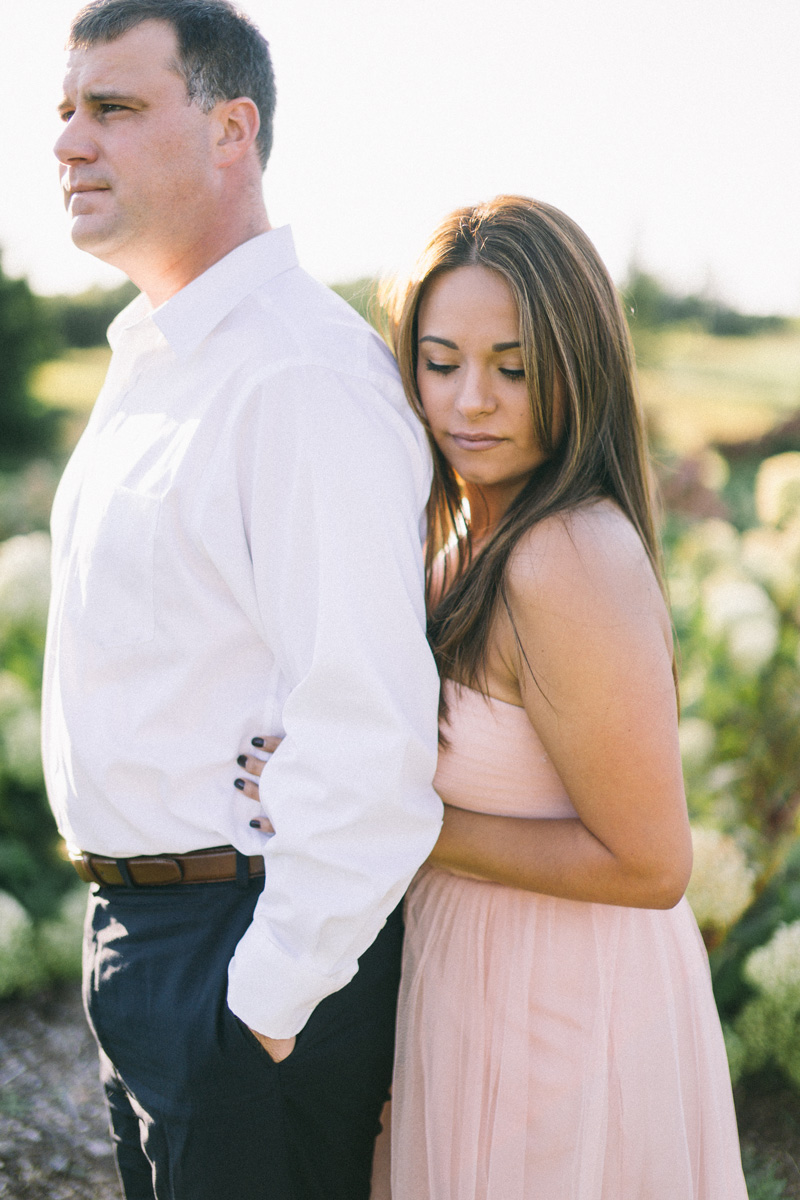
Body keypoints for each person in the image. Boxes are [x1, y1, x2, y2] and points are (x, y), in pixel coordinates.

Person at [243, 195, 748, 1199]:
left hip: (562, 1015)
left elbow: (651, 862)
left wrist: (389, 823)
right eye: (440, 363)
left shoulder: (562, 554)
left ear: (577, 367)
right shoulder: (458, 536)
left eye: (512, 368)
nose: (471, 400)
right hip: (468, 979)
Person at [42, 2, 442, 1198]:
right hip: (151, 939)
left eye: (112, 108)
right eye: (64, 112)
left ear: (231, 129)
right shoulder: (160, 358)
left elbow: (367, 729)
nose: (68, 143)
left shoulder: (298, 377)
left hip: (244, 963)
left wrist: (259, 1008)